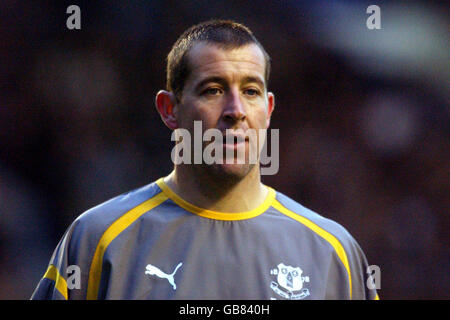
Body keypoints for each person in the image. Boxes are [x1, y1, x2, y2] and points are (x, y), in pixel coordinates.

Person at [31, 20, 379, 300]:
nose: (236, 111)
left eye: (251, 91)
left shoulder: (334, 254)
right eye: (213, 89)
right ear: (170, 110)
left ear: (268, 110)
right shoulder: (99, 239)